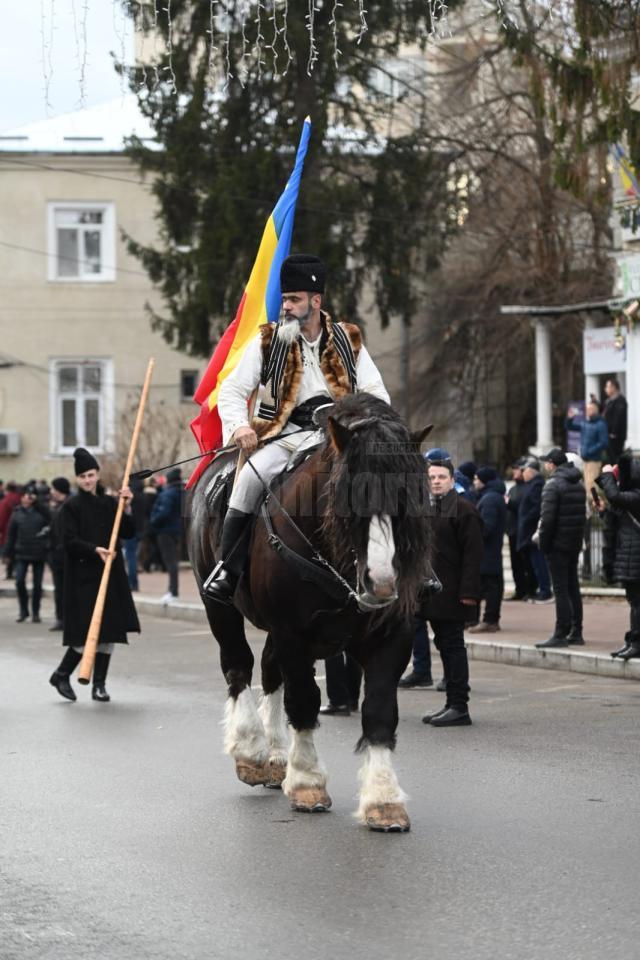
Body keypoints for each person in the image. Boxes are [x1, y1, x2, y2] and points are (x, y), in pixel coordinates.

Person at [205, 253, 389, 603]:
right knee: (248, 480)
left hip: (338, 438)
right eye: (284, 298)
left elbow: (376, 391)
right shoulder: (266, 340)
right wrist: (239, 426)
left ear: (315, 301)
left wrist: (370, 428)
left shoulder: (349, 339)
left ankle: (412, 568)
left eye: (293, 299)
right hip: (283, 437)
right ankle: (228, 569)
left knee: (385, 481)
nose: (285, 306)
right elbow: (231, 390)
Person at [48, 447, 140, 703]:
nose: (87, 480)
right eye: (83, 477)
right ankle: (62, 673)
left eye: (91, 474)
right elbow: (67, 541)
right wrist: (93, 550)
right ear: (77, 479)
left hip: (110, 576)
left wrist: (128, 507)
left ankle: (98, 684)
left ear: (98, 474)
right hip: (83, 577)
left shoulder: (111, 503)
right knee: (86, 633)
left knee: (110, 631)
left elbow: (129, 532)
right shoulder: (71, 507)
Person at [420, 456, 483, 727]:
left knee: (453, 647)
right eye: (432, 477)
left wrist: (468, 594)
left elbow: (473, 556)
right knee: (444, 646)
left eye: (441, 477)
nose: (436, 481)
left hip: (455, 594)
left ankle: (460, 706)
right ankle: (450, 703)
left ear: (452, 481)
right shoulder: (428, 509)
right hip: (434, 595)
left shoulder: (464, 510)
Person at [535, 448, 586, 648]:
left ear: (551, 464)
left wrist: (544, 544)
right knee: (572, 586)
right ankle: (576, 631)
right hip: (573, 543)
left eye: (546, 462)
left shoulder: (553, 485)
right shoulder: (578, 485)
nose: (545, 466)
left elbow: (547, 521)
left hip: (557, 545)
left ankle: (561, 632)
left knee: (561, 589)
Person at [597, 454, 640, 660]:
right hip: (630, 557)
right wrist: (603, 512)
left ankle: (637, 643)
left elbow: (614, 496)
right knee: (634, 602)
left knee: (638, 603)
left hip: (635, 558)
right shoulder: (630, 496)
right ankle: (633, 641)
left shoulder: (636, 495)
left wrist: (607, 475)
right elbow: (617, 515)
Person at [4, 484, 50, 623]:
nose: (27, 498)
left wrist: (38, 502)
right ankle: (23, 611)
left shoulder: (41, 511)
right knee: (19, 582)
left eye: (30, 496)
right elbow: (10, 535)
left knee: (37, 585)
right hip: (21, 553)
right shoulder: (16, 513)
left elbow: (51, 520)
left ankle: (35, 612)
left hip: (38, 553)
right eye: (24, 495)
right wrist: (7, 553)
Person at [469, 466, 507, 633]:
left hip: (487, 553)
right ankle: (486, 620)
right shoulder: (490, 496)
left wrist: (472, 534)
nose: (474, 481)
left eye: (477, 479)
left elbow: (487, 527)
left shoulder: (490, 499)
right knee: (491, 587)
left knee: (490, 587)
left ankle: (489, 621)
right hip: (489, 553)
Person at [517, 457, 552, 602]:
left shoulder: (536, 485)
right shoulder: (532, 485)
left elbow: (535, 508)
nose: (522, 473)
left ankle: (545, 591)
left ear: (531, 472)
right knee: (536, 564)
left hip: (532, 532)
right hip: (529, 531)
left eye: (524, 471)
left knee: (539, 563)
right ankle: (542, 589)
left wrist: (525, 521)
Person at [150, 467, 183, 603]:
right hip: (176, 530)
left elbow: (163, 513)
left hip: (165, 531)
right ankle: (172, 591)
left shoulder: (168, 494)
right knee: (173, 562)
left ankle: (173, 592)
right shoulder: (182, 491)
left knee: (171, 562)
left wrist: (154, 521)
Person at [566, 399, 609, 504]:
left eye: (589, 409)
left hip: (594, 459)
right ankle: (591, 508)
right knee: (587, 485)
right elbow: (570, 427)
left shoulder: (601, 424)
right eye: (587, 409)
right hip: (585, 458)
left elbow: (604, 442)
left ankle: (596, 510)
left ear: (595, 410)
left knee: (592, 486)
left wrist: (590, 451)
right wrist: (570, 419)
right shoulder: (585, 423)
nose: (587, 411)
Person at [48, 476, 71, 631]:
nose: (51, 491)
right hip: (57, 556)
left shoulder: (67, 507)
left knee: (67, 589)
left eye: (53, 489)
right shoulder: (58, 507)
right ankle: (61, 618)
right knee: (59, 590)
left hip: (66, 555)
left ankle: (67, 619)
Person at [505, 458, 529, 600]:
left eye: (517, 469)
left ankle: (527, 590)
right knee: (515, 565)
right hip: (512, 531)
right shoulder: (513, 488)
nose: (514, 472)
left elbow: (522, 507)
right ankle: (519, 590)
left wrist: (509, 502)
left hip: (523, 531)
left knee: (524, 564)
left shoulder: (528, 488)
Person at [122, 476, 145, 592]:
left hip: (131, 529)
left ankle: (133, 583)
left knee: (130, 557)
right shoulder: (143, 495)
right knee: (134, 556)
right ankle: (134, 582)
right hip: (141, 529)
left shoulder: (130, 496)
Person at [603, 377, 627, 464]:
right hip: (609, 435)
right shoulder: (609, 401)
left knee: (615, 460)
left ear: (614, 387)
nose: (605, 389)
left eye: (607, 386)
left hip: (615, 437)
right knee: (611, 460)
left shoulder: (620, 400)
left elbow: (618, 417)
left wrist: (614, 432)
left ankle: (617, 477)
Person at [0, 481, 22, 578]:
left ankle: (10, 572)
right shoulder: (20, 498)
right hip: (21, 530)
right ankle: (17, 571)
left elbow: (2, 517)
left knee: (8, 551)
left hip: (7, 530)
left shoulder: (5, 501)